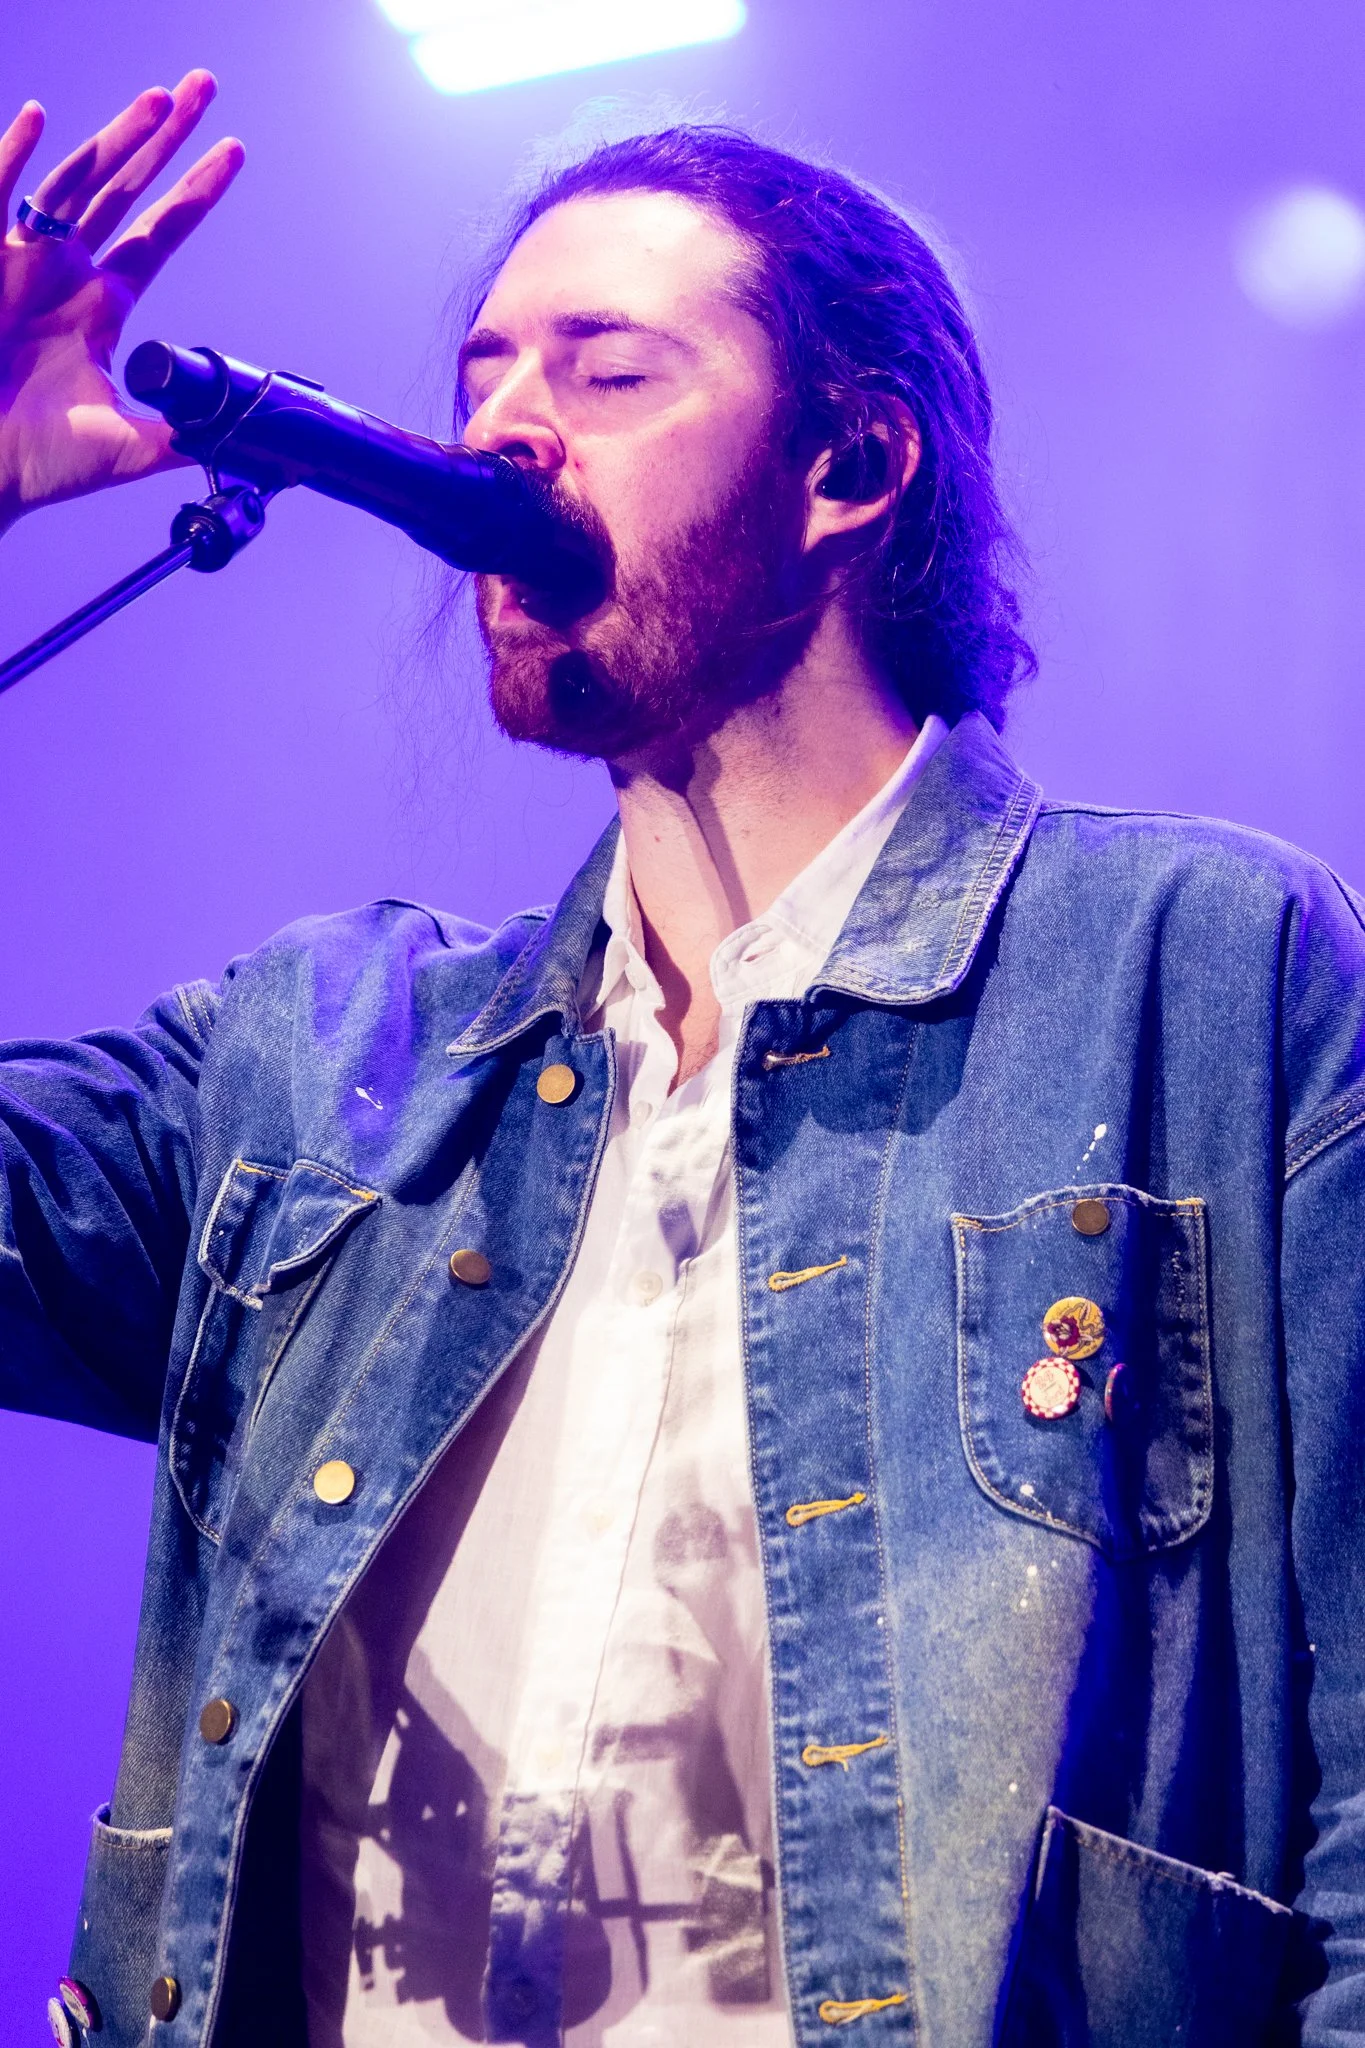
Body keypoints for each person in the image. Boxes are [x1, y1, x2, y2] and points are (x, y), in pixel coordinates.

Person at [2, 74, 1363, 2048]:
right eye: (481, 375)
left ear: (849, 465)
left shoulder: (1193, 974)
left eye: (606, 371)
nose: (500, 429)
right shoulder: (310, 1067)